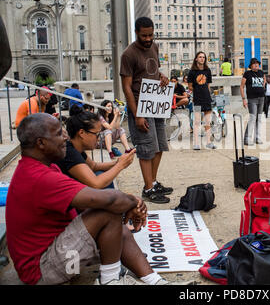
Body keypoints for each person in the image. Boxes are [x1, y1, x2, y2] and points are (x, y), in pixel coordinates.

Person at [5, 113, 176, 285]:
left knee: (118, 228)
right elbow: (108, 199)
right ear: (41, 143)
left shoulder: (44, 168)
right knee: (108, 211)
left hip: (53, 254)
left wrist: (126, 203)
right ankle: (110, 281)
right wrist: (135, 201)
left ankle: (155, 281)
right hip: (41, 271)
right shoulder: (40, 177)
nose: (65, 137)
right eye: (58, 133)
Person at [120, 17, 172, 204]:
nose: (148, 38)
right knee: (146, 149)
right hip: (140, 106)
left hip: (156, 102)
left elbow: (153, 71)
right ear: (136, 33)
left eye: (151, 34)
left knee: (159, 147)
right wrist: (137, 114)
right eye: (144, 35)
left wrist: (162, 77)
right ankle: (148, 189)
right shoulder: (128, 54)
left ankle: (153, 182)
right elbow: (126, 87)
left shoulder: (154, 47)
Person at [56, 105, 135, 190]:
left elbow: (93, 166)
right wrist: (120, 165)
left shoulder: (75, 148)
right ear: (82, 133)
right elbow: (96, 183)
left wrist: (117, 162)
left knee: (100, 174)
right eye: (96, 134)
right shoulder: (69, 152)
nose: (99, 138)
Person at [188, 51, 216, 150]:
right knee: (197, 121)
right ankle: (196, 144)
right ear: (196, 59)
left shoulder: (208, 71)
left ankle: (208, 142)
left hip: (207, 99)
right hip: (197, 99)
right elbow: (190, 87)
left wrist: (208, 95)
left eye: (203, 57)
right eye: (200, 57)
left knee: (207, 122)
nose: (202, 59)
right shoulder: (192, 72)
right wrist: (198, 91)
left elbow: (208, 85)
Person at [240, 57, 266, 145]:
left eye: (257, 63)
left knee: (259, 118)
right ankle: (247, 138)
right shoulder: (247, 74)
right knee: (252, 118)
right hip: (252, 99)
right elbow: (241, 86)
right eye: (254, 63)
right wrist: (244, 99)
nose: (256, 65)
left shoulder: (261, 72)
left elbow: (264, 81)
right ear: (251, 65)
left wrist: (262, 88)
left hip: (261, 98)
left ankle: (257, 137)